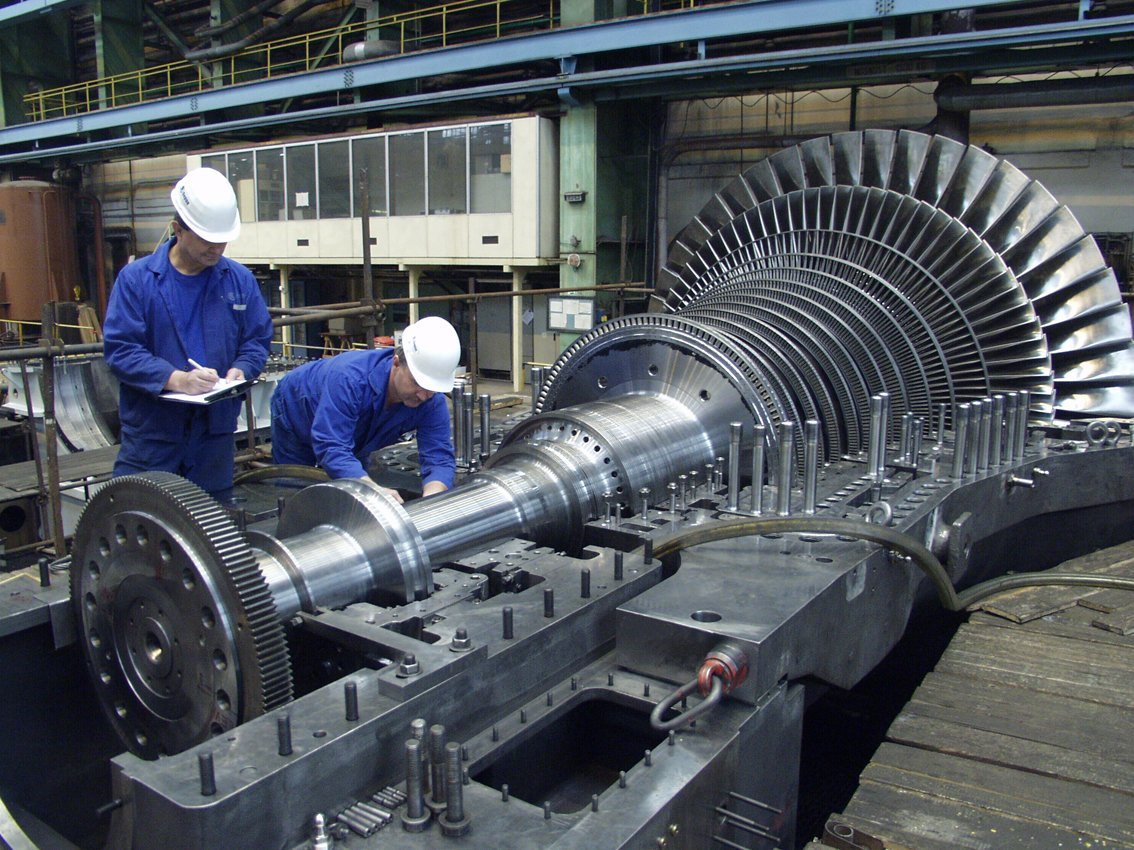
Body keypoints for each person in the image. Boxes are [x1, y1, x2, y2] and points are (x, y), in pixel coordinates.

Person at [103, 166, 273, 501]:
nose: (217, 248)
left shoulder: (238, 281)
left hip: (213, 438)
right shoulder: (137, 281)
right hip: (154, 437)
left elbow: (256, 340)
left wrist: (241, 370)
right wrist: (176, 379)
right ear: (179, 230)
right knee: (146, 519)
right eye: (207, 240)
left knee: (211, 534)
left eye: (222, 240)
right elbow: (121, 350)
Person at [269, 316, 460, 503]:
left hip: (353, 431)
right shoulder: (349, 380)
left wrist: (432, 500)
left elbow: (439, 457)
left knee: (354, 489)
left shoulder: (430, 399)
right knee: (297, 490)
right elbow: (333, 447)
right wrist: (374, 491)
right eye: (418, 383)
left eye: (431, 388)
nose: (423, 395)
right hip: (295, 410)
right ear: (396, 363)